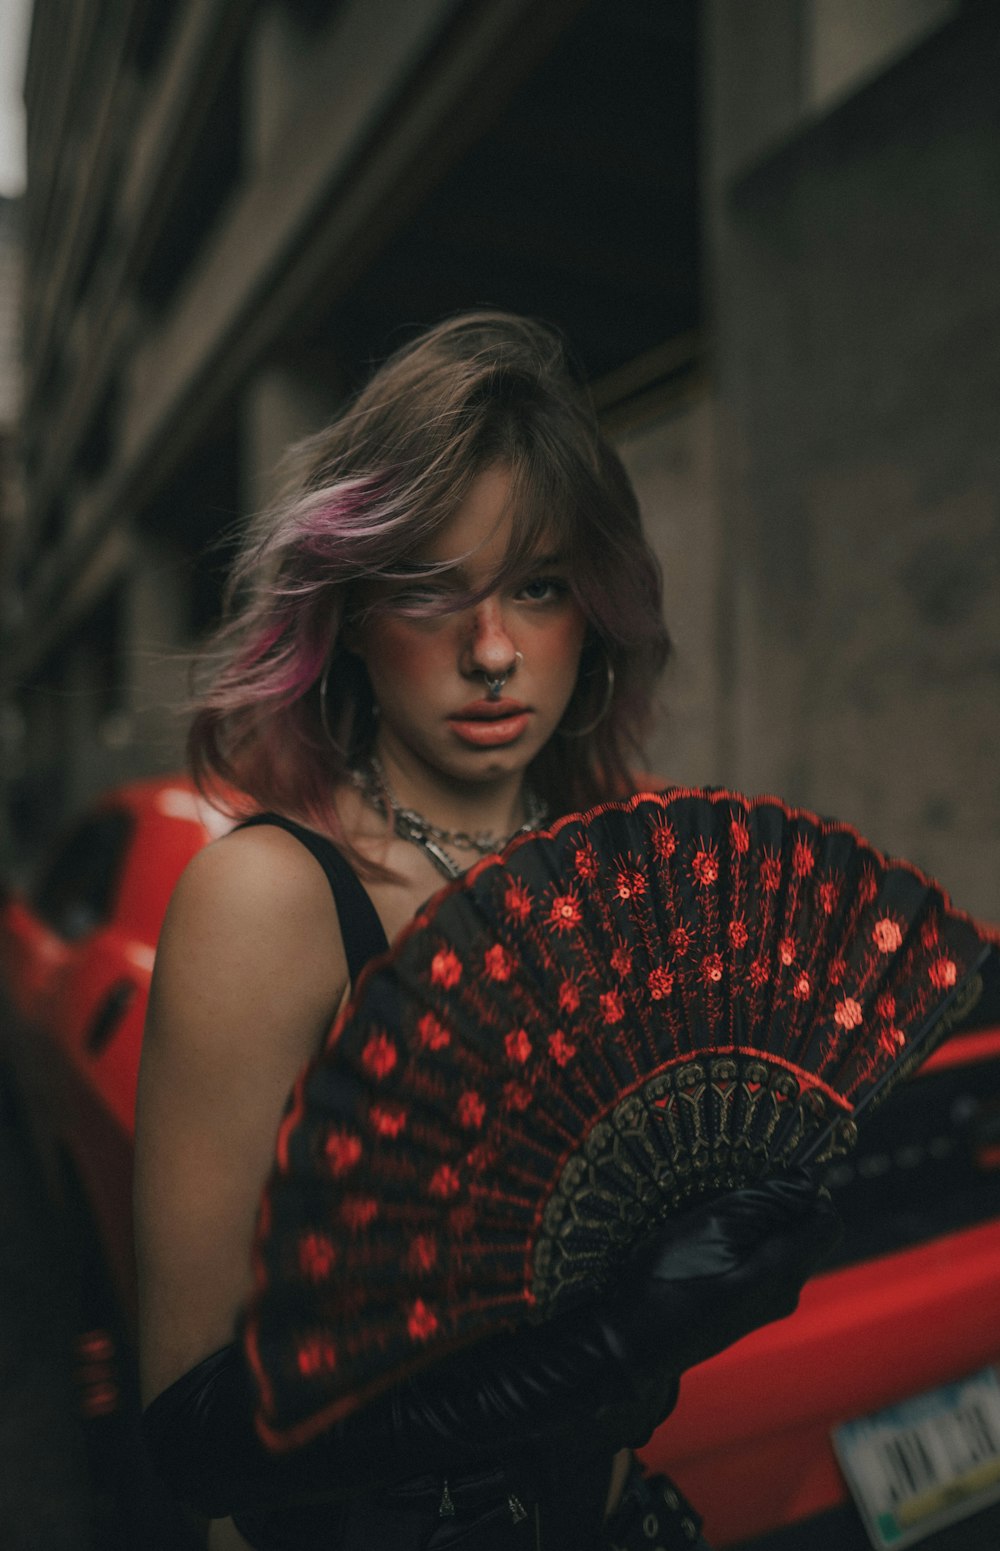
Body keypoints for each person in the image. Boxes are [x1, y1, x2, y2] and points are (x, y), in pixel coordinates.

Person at [134, 312, 839, 1551]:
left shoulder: (613, 881)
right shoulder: (274, 901)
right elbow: (193, 1436)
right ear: (350, 612)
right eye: (428, 589)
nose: (494, 651)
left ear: (597, 613)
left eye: (539, 585)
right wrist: (607, 1341)